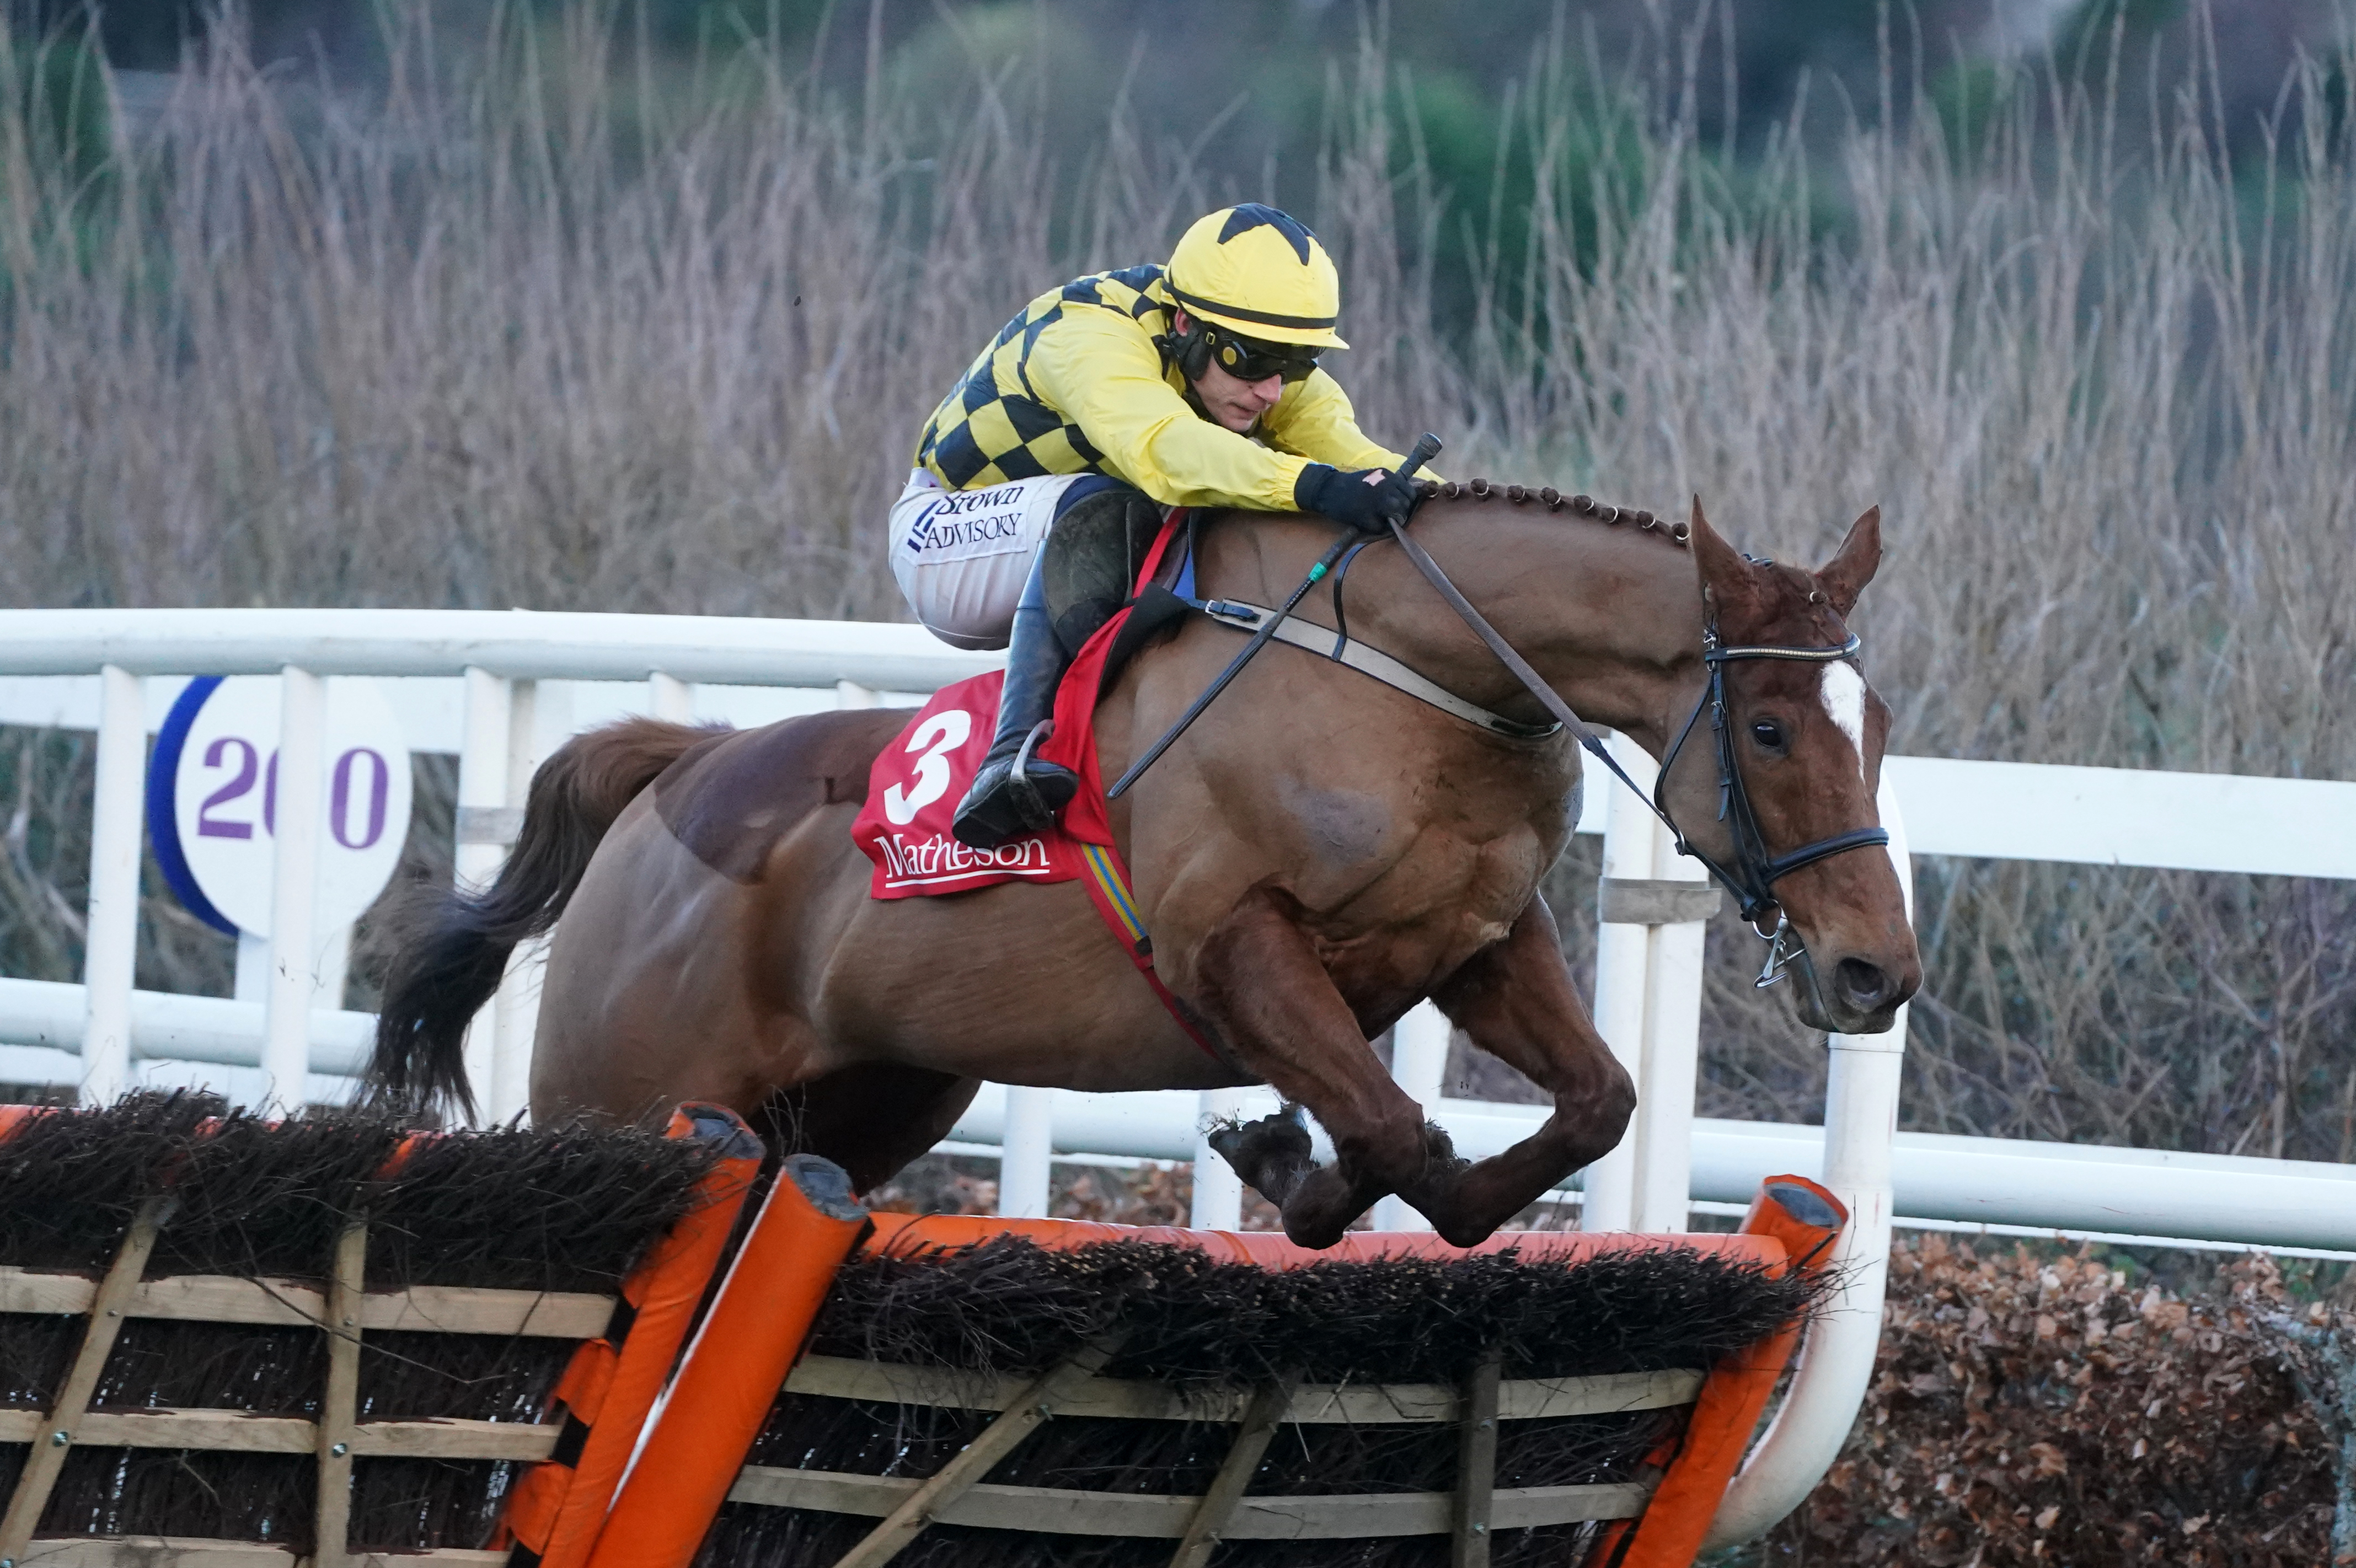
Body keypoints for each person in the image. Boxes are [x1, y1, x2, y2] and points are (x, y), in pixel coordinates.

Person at [890, 202, 1427, 849]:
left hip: (1055, 538)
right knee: (1125, 496)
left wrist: (1468, 514)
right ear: (1185, 324)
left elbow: (1358, 459)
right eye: (1253, 361)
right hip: (946, 539)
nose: (1271, 391)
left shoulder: (1254, 359)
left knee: (1246, 508)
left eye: (1298, 364)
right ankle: (1014, 757)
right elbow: (1164, 452)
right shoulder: (1088, 334)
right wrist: (1312, 485)